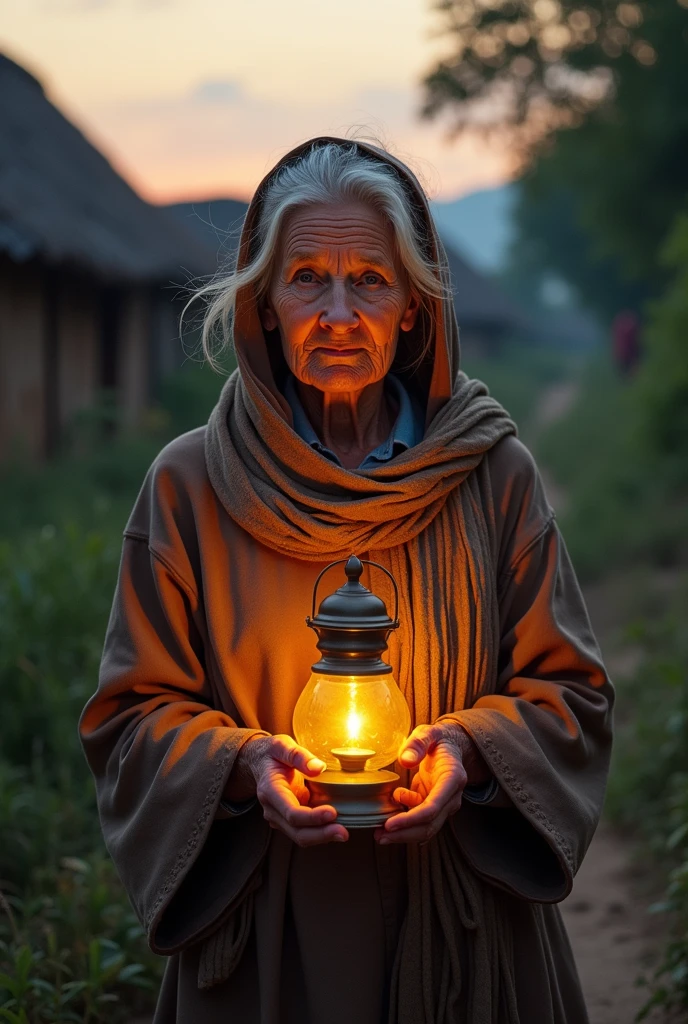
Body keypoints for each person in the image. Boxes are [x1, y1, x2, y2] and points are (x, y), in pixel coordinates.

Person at [79, 137, 614, 1024]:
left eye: (368, 279)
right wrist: (242, 762)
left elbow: (573, 693)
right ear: (264, 302)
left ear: (412, 306)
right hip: (271, 947)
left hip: (470, 939)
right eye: (307, 280)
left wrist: (472, 749)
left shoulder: (491, 476)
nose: (336, 312)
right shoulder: (190, 488)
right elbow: (131, 720)